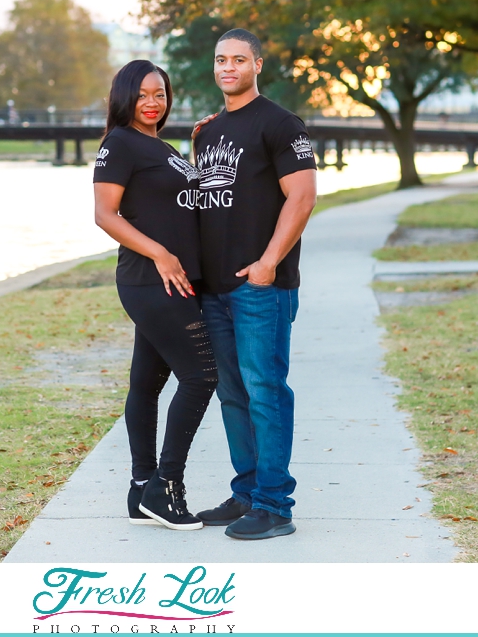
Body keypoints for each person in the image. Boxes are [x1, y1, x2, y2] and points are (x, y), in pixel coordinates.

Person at [191, 29, 317, 541]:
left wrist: (267, 262)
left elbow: (303, 197)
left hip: (261, 285)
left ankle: (274, 505)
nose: (228, 67)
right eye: (221, 59)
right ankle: (246, 493)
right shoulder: (208, 130)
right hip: (214, 287)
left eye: (238, 59)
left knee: (265, 389)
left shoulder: (282, 124)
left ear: (257, 65)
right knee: (233, 393)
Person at [93, 59, 218, 530]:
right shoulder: (119, 143)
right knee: (203, 375)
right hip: (152, 280)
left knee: (147, 384)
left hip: (174, 280)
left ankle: (140, 489)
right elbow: (106, 215)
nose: (153, 102)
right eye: (143, 94)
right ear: (125, 96)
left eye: (160, 94)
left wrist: (197, 146)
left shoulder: (156, 145)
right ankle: (165, 488)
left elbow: (176, 197)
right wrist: (161, 255)